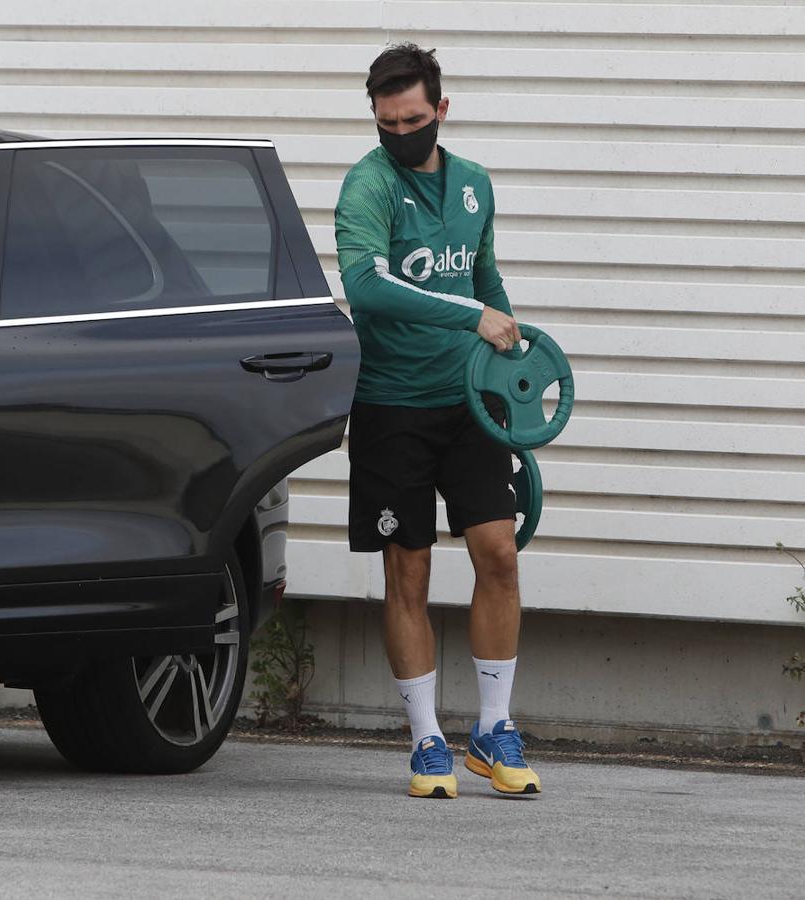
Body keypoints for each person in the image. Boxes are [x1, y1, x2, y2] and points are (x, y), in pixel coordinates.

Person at [334, 43, 541, 798]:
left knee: (499, 555)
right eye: (387, 122)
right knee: (409, 569)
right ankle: (426, 739)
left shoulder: (474, 186)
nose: (400, 133)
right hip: (392, 406)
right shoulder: (366, 187)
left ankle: (492, 728)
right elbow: (367, 287)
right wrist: (473, 313)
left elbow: (486, 279)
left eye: (413, 119)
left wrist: (513, 365)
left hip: (469, 405)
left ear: (440, 110)